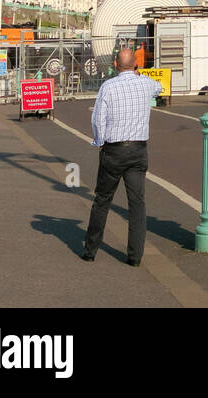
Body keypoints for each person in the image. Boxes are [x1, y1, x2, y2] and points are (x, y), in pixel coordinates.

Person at [81, 47, 161, 266]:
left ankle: (91, 249)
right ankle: (134, 256)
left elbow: (98, 119)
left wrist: (100, 141)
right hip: (137, 150)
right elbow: (159, 88)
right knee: (137, 203)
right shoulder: (145, 84)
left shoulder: (108, 86)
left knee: (102, 199)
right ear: (135, 64)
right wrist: (138, 74)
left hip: (114, 150)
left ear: (115, 65)